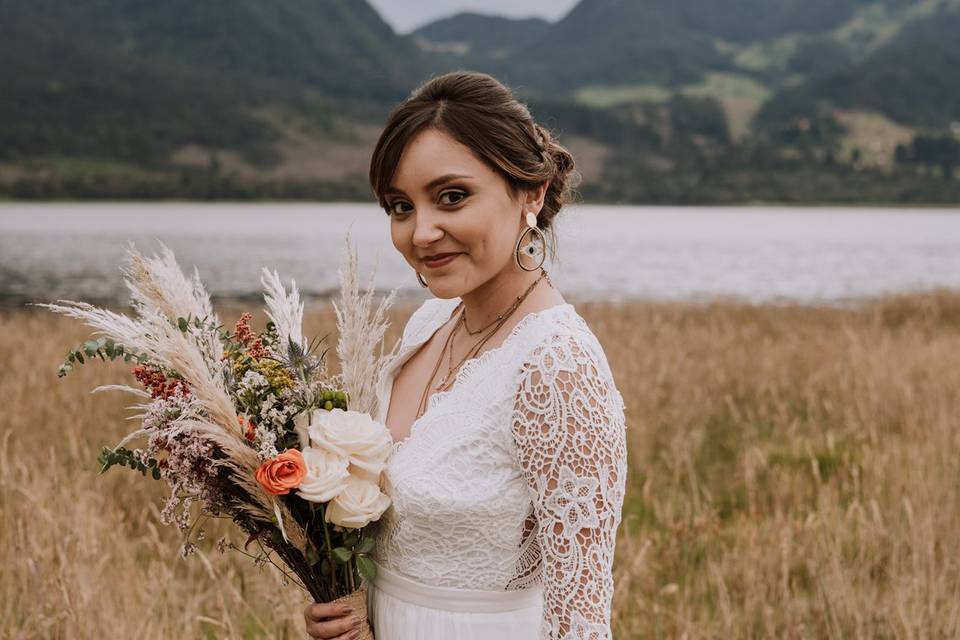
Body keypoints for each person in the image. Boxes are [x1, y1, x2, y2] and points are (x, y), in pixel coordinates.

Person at [304, 70, 627, 640]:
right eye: (400, 207)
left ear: (532, 191)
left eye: (452, 197)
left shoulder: (557, 365)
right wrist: (353, 606)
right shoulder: (431, 324)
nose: (421, 233)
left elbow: (581, 620)